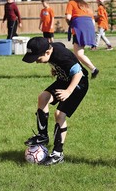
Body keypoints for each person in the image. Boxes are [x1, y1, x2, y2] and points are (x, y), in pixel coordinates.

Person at [22, 37, 89, 166]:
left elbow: (78, 73)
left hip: (78, 84)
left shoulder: (62, 57)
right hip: (64, 80)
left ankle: (58, 154)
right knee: (43, 97)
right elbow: (60, 44)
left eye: (37, 59)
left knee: (59, 114)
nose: (36, 62)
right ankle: (43, 136)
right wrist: (55, 68)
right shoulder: (50, 48)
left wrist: (68, 91)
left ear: (47, 52)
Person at [65, 0, 99, 79]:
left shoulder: (71, 3)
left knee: (79, 54)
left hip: (79, 27)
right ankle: (79, 72)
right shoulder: (86, 5)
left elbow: (68, 17)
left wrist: (71, 24)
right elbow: (93, 21)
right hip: (89, 28)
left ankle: (93, 69)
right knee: (78, 53)